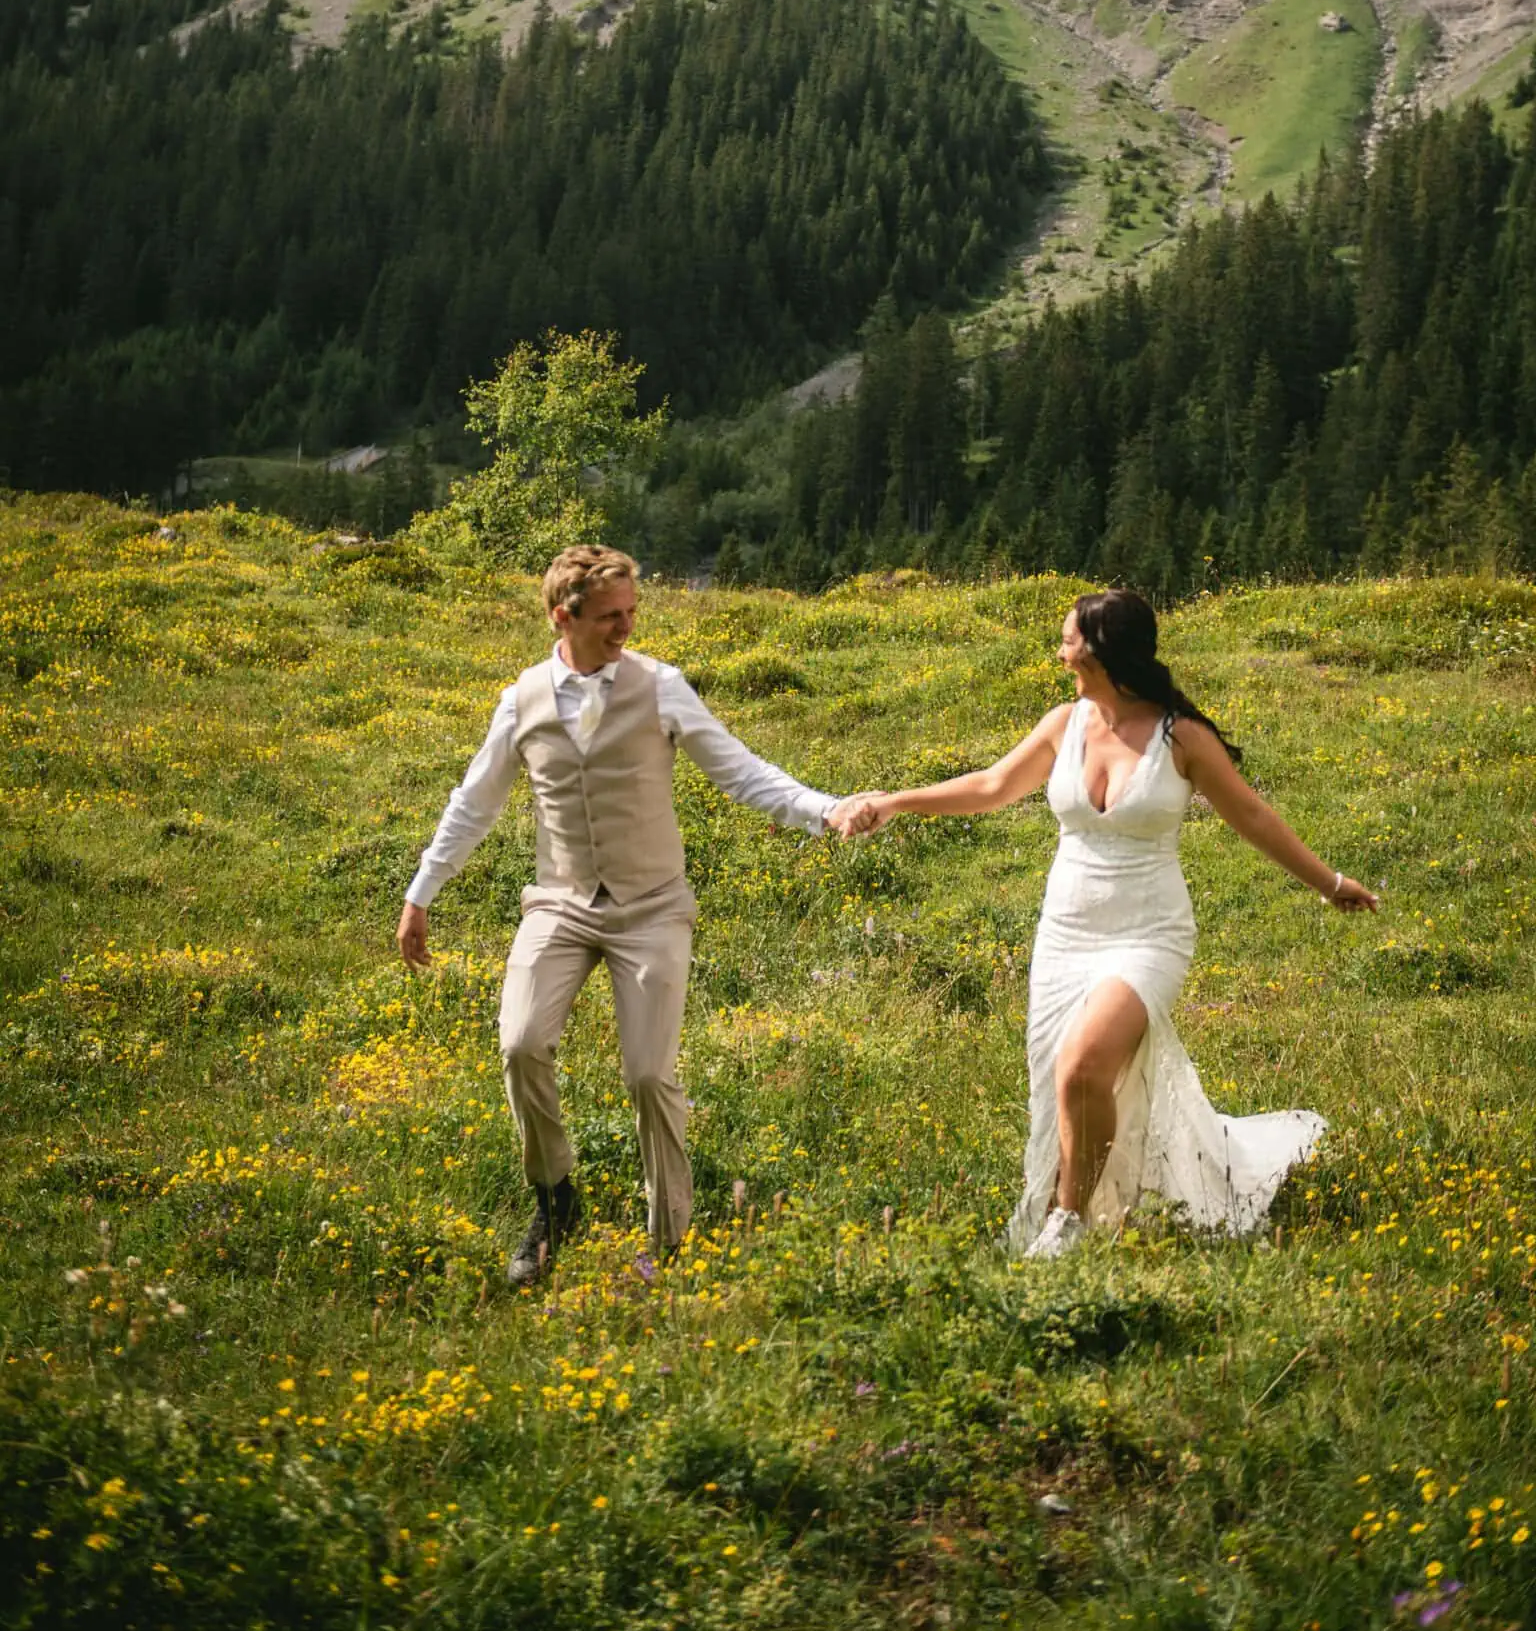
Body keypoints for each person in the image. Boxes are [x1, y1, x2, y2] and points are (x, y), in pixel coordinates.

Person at [837, 588, 1378, 1257]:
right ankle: (1088, 1201)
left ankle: (1066, 1221)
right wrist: (894, 803)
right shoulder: (1064, 724)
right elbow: (991, 785)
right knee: (1063, 1079)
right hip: (1065, 933)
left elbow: (1254, 817)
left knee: (1082, 1068)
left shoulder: (1181, 737)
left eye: (1066, 639)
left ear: (1097, 649)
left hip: (1148, 933)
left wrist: (1329, 883)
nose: (1057, 650)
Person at [395, 543, 851, 1285]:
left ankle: (670, 1238)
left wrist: (824, 811)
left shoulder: (662, 687)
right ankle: (554, 1201)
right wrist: (421, 893)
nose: (626, 629)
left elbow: (740, 772)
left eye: (633, 613)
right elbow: (474, 804)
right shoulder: (521, 701)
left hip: (651, 907)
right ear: (562, 617)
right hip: (561, 902)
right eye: (611, 617)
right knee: (519, 1043)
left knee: (647, 1073)